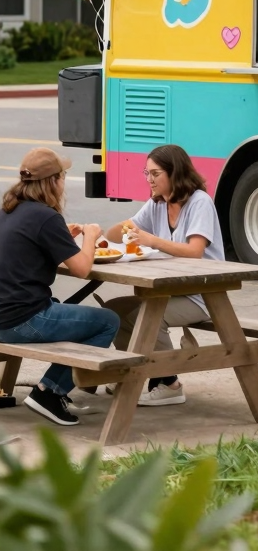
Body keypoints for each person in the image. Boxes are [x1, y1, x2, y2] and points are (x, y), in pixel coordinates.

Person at [0, 147, 119, 426]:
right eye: (62, 176)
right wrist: (90, 236)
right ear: (53, 181)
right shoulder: (46, 216)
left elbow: (26, 249)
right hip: (23, 319)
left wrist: (64, 236)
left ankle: (58, 386)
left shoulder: (8, 210)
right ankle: (49, 393)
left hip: (3, 315)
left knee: (69, 314)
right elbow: (81, 268)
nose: (63, 182)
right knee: (107, 321)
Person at [103, 144, 224, 407]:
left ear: (174, 172)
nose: (149, 180)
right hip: (171, 288)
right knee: (115, 312)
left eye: (155, 174)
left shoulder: (199, 202)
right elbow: (117, 232)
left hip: (203, 294)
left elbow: (194, 251)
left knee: (147, 317)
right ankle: (130, 373)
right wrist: (108, 232)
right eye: (146, 173)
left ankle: (169, 383)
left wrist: (151, 240)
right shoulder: (158, 203)